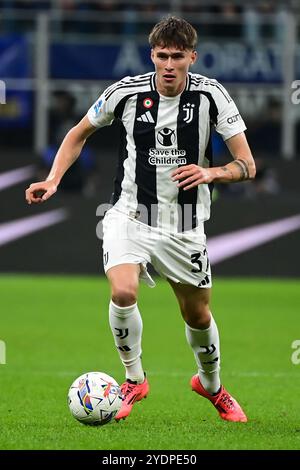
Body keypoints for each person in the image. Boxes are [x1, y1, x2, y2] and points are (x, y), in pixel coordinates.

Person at [25, 17, 256, 423]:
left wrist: (212, 173)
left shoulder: (213, 96)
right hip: (129, 213)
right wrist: (53, 178)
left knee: (198, 315)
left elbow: (247, 165)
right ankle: (134, 378)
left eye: (177, 57)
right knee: (124, 291)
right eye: (162, 55)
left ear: (192, 57)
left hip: (184, 222)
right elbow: (78, 132)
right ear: (152, 55)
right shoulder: (125, 93)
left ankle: (211, 386)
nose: (169, 64)